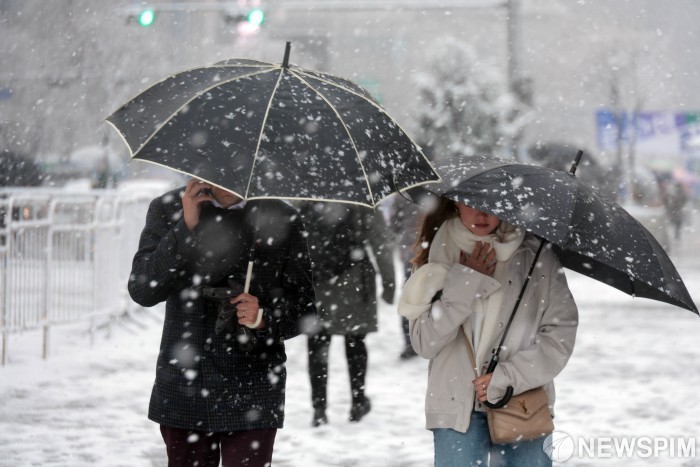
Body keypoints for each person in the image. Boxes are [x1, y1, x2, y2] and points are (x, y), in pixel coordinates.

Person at [128, 179, 316, 467]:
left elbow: (304, 310)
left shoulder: (281, 216)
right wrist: (184, 228)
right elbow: (143, 291)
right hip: (185, 383)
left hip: (253, 385)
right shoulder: (169, 208)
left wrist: (263, 317)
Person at [398, 196, 578, 466]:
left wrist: (507, 377)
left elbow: (559, 334)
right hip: (456, 407)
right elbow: (425, 342)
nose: (482, 213)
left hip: (522, 402)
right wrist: (467, 279)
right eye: (471, 202)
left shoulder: (536, 255)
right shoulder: (435, 258)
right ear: (456, 203)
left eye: (491, 204)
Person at [298, 202, 396, 427]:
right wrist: (389, 283)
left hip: (317, 281)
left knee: (317, 344)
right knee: (355, 342)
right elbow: (380, 242)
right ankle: (357, 402)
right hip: (353, 280)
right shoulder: (362, 200)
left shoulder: (305, 197)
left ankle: (319, 409)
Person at [387, 194, 423, 360]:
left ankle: (410, 342)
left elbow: (394, 225)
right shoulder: (441, 191)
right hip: (434, 251)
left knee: (410, 295)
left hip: (411, 252)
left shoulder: (403, 193)